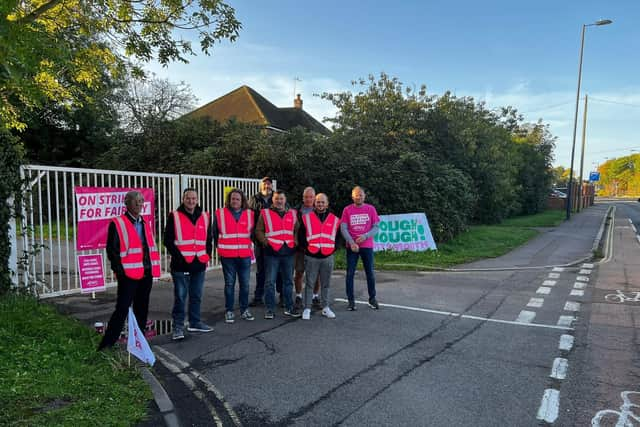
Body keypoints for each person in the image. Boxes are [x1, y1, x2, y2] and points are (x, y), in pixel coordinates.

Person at [98, 191, 161, 350]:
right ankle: (107, 344)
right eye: (135, 201)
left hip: (145, 273)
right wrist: (119, 271)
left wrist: (152, 268)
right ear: (127, 203)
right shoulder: (118, 223)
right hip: (128, 275)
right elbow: (112, 251)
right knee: (122, 309)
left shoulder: (145, 222)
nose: (139, 204)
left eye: (141, 201)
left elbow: (148, 248)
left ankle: (139, 343)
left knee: (142, 309)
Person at [164, 188, 214, 340]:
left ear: (197, 200)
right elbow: (168, 240)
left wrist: (207, 255)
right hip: (180, 265)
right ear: (183, 199)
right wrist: (179, 258)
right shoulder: (175, 216)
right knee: (180, 297)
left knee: (196, 296)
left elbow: (208, 239)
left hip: (199, 263)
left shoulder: (205, 216)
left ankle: (195, 322)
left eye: (193, 198)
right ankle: (178, 327)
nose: (191, 201)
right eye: (188, 198)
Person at [255, 189, 301, 318]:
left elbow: (297, 229)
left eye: (281, 198)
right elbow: (259, 230)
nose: (279, 201)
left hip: (288, 252)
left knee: (288, 282)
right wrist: (266, 242)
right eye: (276, 199)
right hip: (271, 252)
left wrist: (295, 240)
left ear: (285, 200)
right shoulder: (265, 213)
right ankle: (270, 309)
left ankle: (289, 307)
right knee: (270, 282)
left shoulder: (292, 213)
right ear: (273, 200)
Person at [213, 189, 255, 323]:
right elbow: (214, 233)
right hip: (227, 255)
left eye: (237, 199)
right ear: (229, 200)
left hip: (244, 255)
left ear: (242, 201)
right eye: (233, 199)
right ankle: (229, 311)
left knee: (245, 284)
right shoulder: (220, 213)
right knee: (229, 284)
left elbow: (253, 234)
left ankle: (244, 309)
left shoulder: (250, 214)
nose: (235, 201)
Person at [299, 193, 341, 320]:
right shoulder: (306, 218)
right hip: (311, 256)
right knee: (309, 283)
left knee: (326, 283)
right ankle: (307, 308)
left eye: (323, 202)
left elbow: (338, 237)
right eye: (318, 202)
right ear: (314, 203)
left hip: (328, 256)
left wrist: (334, 249)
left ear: (327, 204)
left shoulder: (334, 219)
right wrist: (306, 248)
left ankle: (326, 307)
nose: (320, 204)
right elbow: (301, 235)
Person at [341, 186, 381, 311]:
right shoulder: (347, 210)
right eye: (356, 195)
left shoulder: (371, 209)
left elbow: (376, 227)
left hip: (367, 246)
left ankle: (372, 299)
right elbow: (343, 228)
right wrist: (351, 242)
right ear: (352, 197)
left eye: (361, 195)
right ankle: (351, 301)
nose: (359, 197)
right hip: (352, 247)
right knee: (350, 274)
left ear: (364, 196)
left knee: (370, 273)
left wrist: (365, 236)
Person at [294, 187, 321, 312]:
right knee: (299, 273)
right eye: (306, 197)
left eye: (311, 197)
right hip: (300, 248)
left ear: (314, 197)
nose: (309, 199)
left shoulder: (320, 210)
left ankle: (315, 297)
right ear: (302, 198)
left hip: (315, 248)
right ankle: (298, 296)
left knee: (315, 275)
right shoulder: (296, 211)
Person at [248, 177, 273, 307]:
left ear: (272, 186)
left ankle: (281, 296)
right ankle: (258, 296)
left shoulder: (277, 198)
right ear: (260, 186)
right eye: (264, 184)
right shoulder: (254, 199)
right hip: (259, 241)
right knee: (261, 269)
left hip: (275, 241)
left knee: (277, 270)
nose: (266, 186)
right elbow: (248, 217)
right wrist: (253, 237)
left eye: (269, 184)